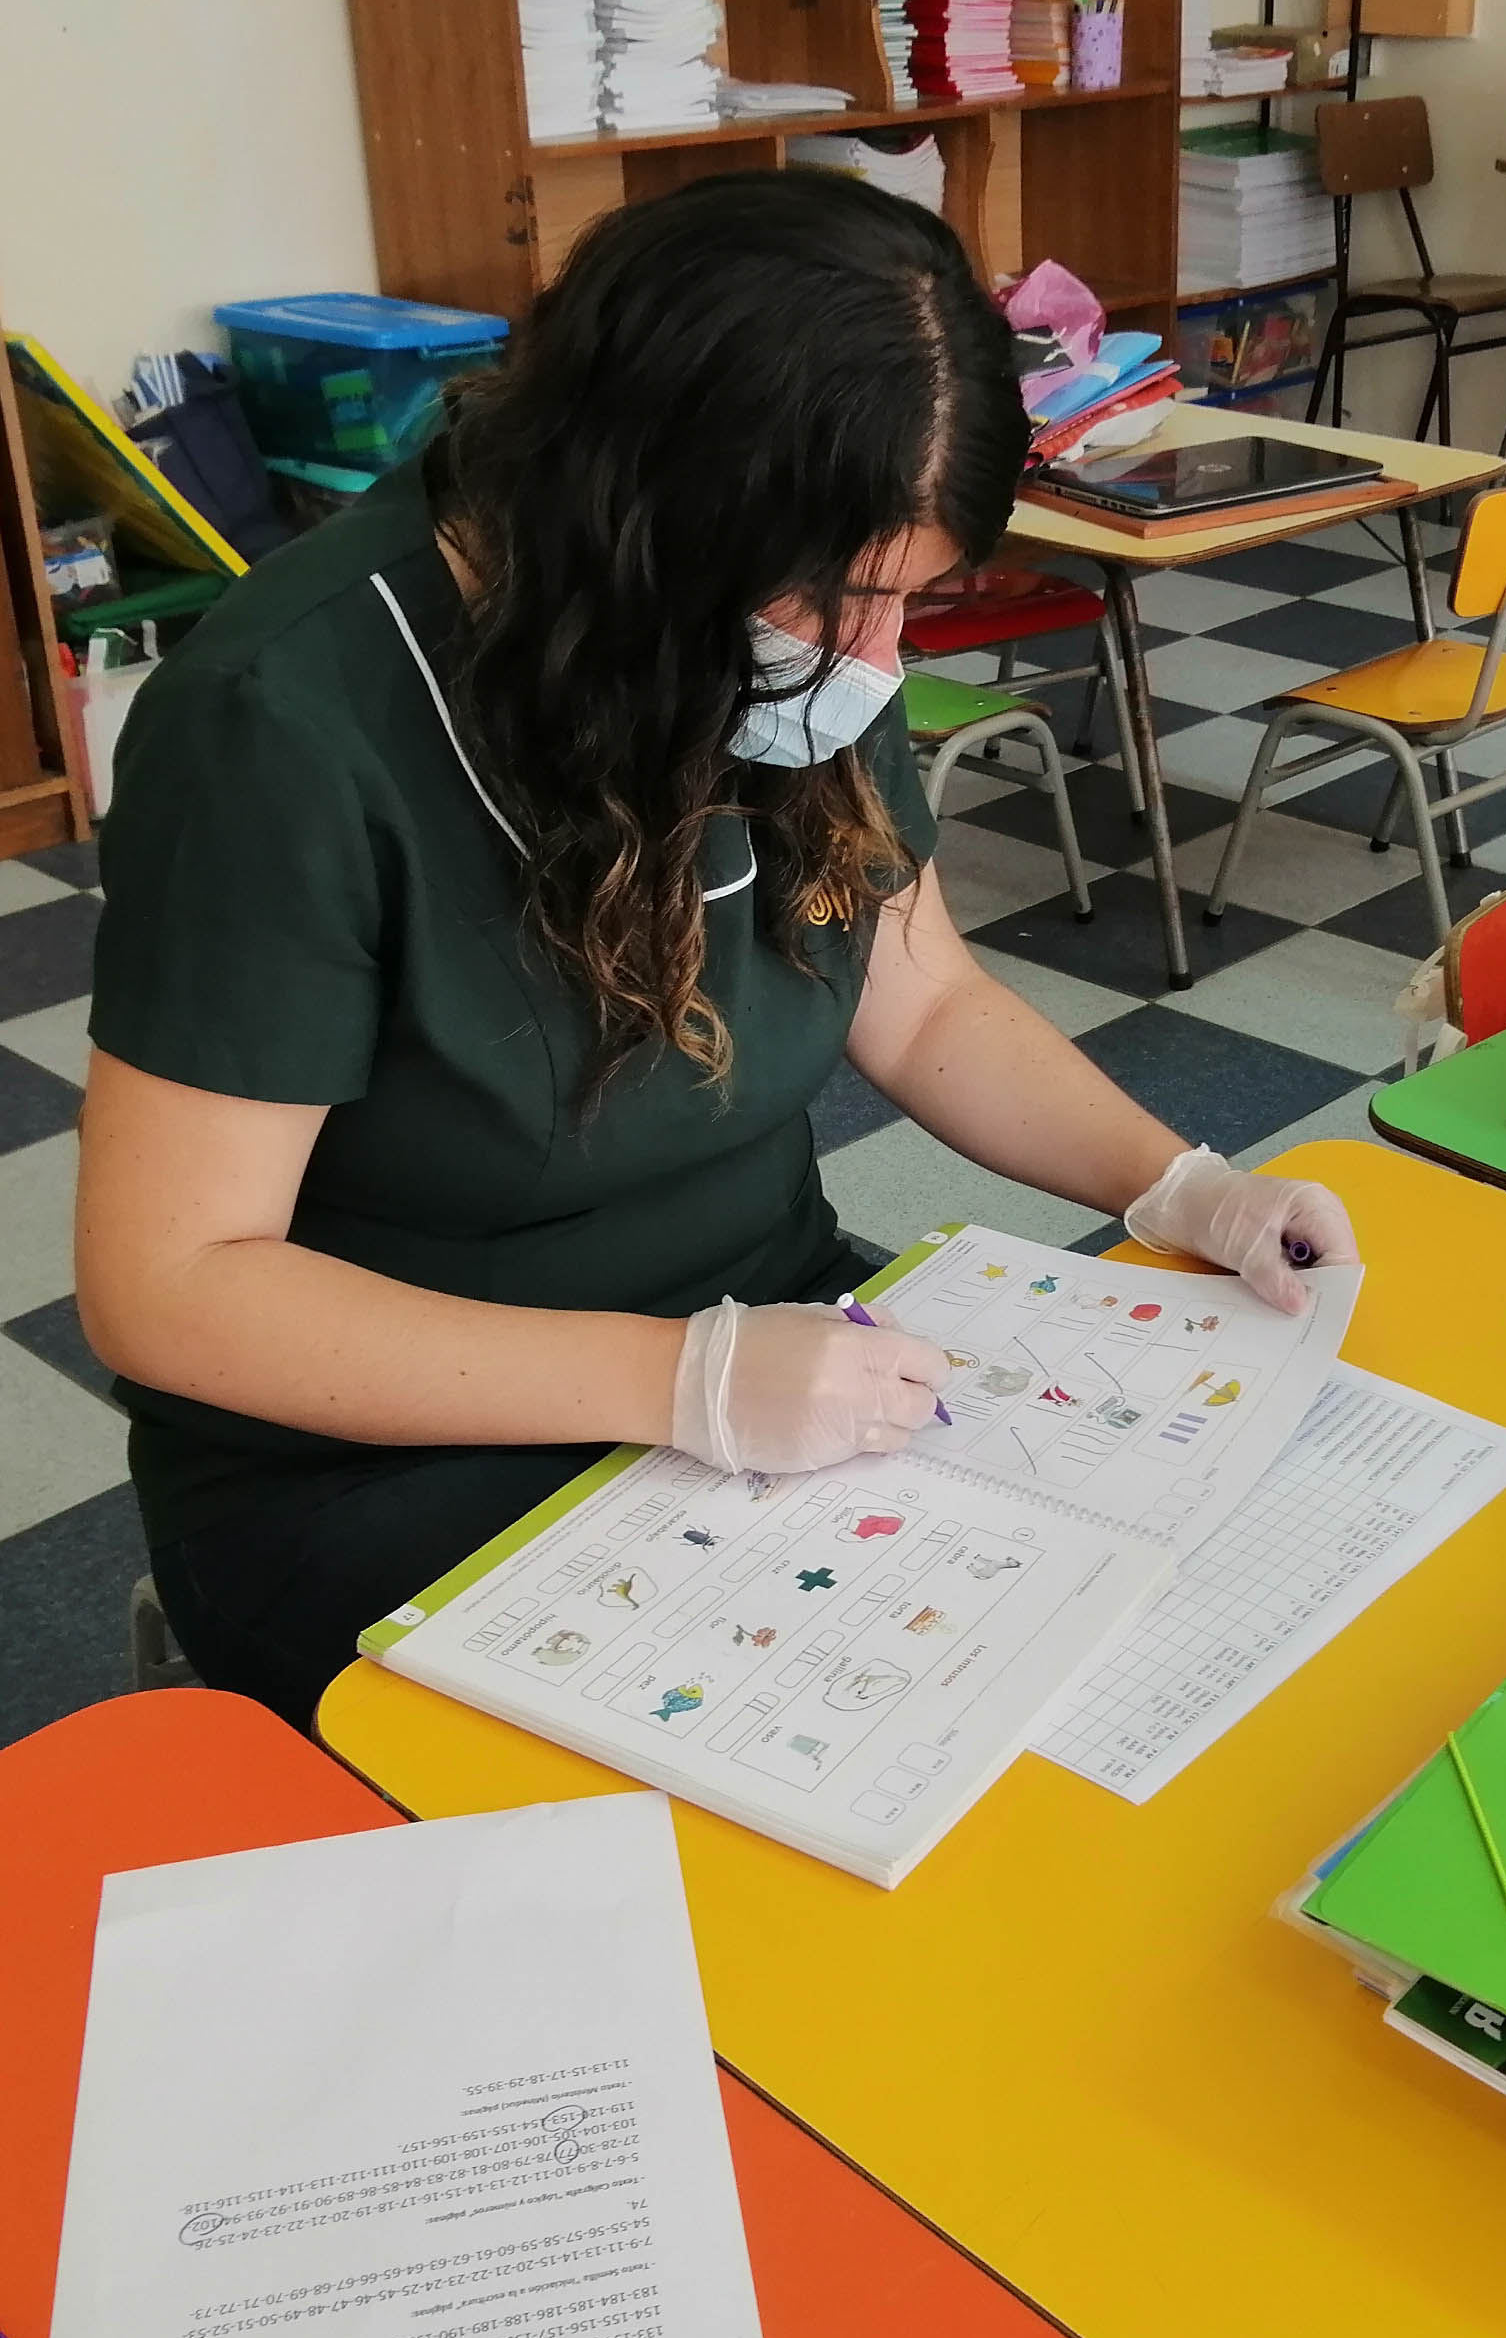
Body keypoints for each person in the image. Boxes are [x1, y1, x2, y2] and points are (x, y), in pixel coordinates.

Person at [75, 173, 1356, 1728]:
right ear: (639, 523)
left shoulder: (778, 645)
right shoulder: (279, 727)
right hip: (377, 1450)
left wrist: (1183, 1188)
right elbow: (174, 1288)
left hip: (769, 1336)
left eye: (913, 603)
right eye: (845, 601)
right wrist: (673, 1382)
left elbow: (924, 1003)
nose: (877, 663)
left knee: (1151, 1651)